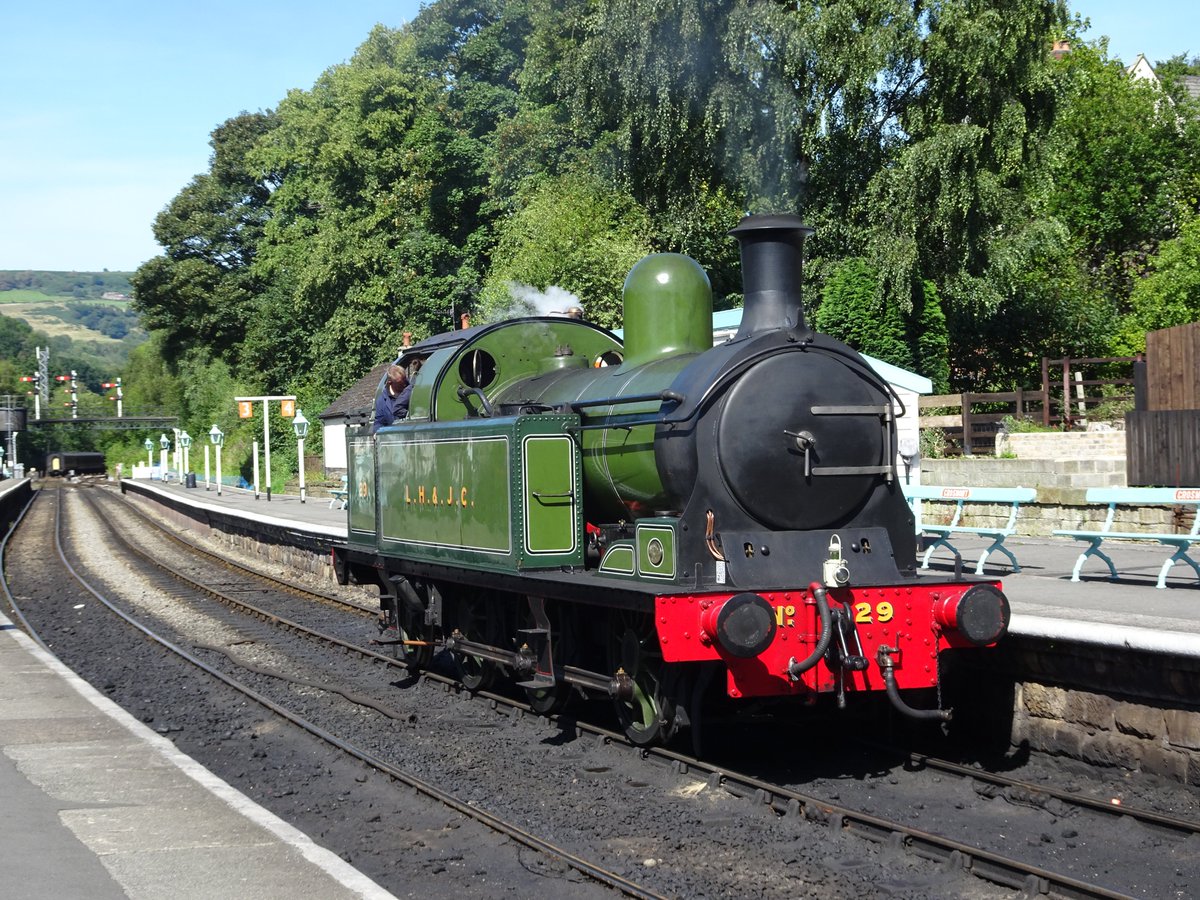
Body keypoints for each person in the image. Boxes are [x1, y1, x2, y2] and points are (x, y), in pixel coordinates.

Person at [372, 364, 411, 433]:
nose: (404, 384)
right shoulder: (382, 401)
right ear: (390, 382)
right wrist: (377, 433)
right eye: (400, 383)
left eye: (404, 380)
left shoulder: (413, 390)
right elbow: (379, 422)